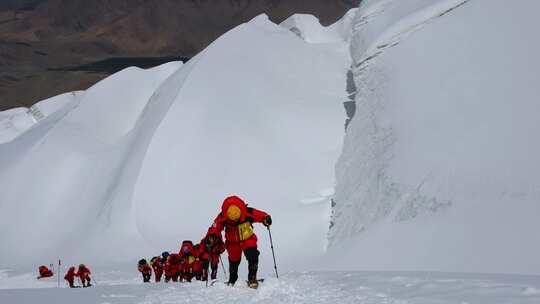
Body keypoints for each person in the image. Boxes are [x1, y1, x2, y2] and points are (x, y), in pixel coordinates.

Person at [208, 195, 271, 288]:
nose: (235, 221)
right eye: (233, 220)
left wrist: (266, 218)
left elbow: (259, 214)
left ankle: (252, 278)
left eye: (237, 218)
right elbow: (215, 227)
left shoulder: (247, 211)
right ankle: (232, 279)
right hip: (232, 242)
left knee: (252, 255)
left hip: (247, 238)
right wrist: (212, 236)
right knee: (234, 261)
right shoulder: (222, 216)